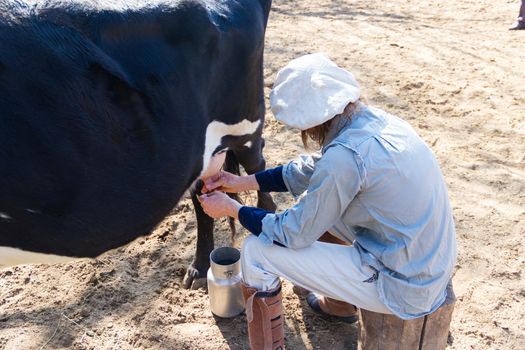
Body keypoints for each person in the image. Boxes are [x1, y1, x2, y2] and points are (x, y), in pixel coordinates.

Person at [199, 53, 457, 350]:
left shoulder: (344, 160)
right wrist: (240, 182)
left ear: (309, 121)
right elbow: (313, 169)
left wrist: (233, 208)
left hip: (402, 285)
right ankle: (339, 305)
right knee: (322, 202)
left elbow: (293, 233)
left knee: (256, 251)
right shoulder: (375, 122)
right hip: (426, 261)